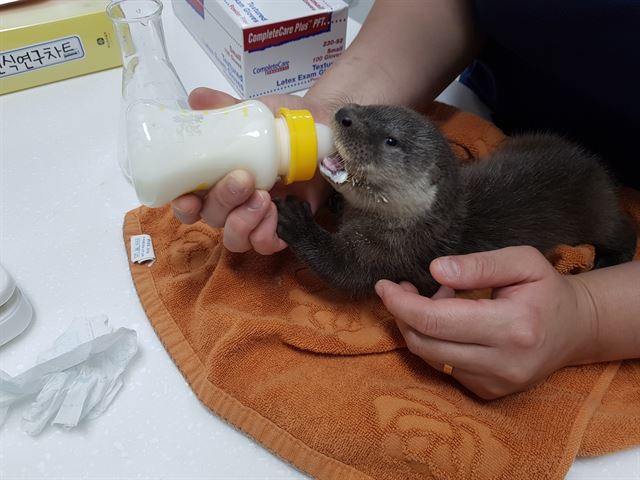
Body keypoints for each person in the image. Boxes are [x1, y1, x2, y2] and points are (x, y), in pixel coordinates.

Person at [171, 0, 640, 400]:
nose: (349, 119)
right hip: (509, 121)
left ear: (428, 189)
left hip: (588, 190)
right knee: (525, 162)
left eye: (390, 145)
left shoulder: (404, 231)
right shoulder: (408, 196)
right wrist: (321, 112)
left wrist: (590, 316)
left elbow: (349, 269)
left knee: (600, 216)